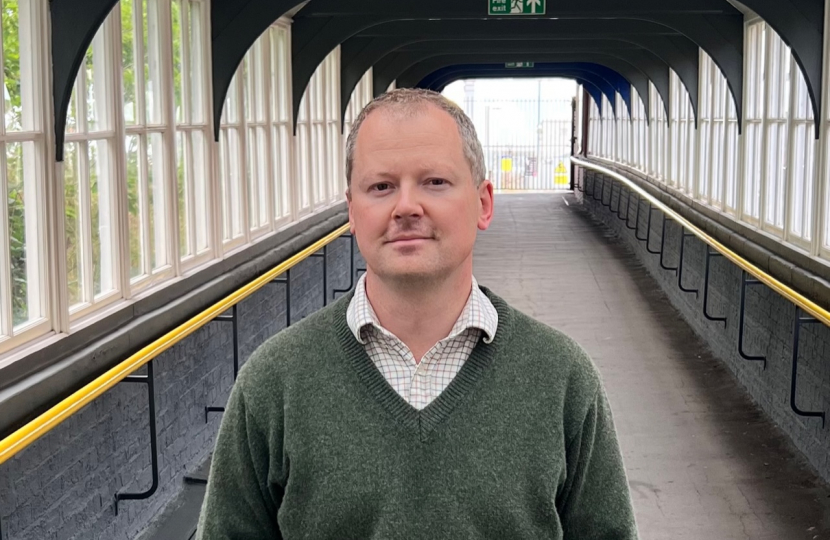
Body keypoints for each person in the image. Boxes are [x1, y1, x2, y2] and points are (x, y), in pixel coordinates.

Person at [196, 88, 638, 539]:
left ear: (484, 202)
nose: (406, 206)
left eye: (435, 182)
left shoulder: (560, 377)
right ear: (352, 210)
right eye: (381, 186)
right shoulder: (274, 382)